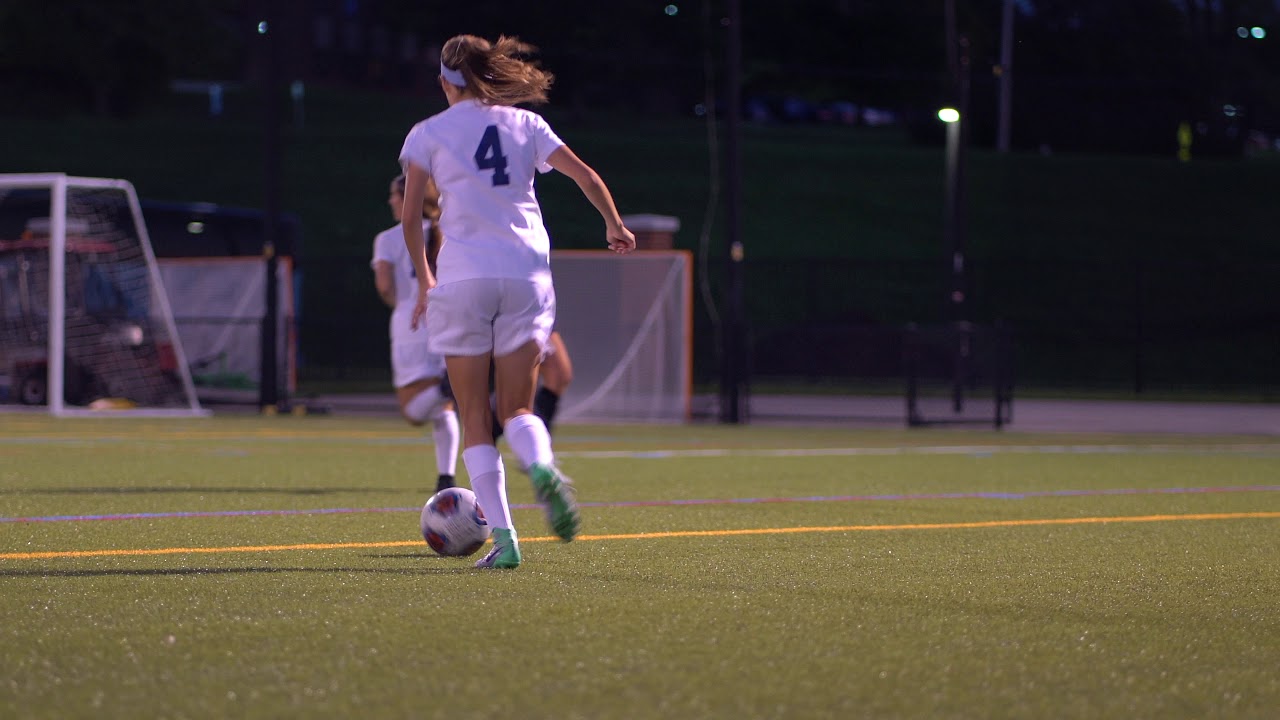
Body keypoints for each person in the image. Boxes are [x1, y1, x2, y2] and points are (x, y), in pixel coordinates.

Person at [399, 34, 635, 569]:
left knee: (475, 417)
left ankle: (505, 543)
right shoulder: (525, 123)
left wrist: (424, 278)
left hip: (462, 281)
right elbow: (587, 176)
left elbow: (413, 217)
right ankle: (544, 466)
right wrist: (614, 225)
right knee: (519, 408)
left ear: (444, 82)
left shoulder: (427, 133)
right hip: (526, 275)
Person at [371, 173, 460, 495]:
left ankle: (445, 389)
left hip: (411, 325)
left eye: (395, 195)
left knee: (414, 412)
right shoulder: (450, 230)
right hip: (447, 321)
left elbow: (384, 286)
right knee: (444, 410)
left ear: (409, 198)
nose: (392, 200)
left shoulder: (388, 238)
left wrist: (401, 304)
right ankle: (446, 476)